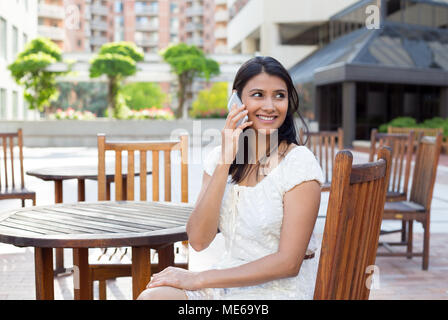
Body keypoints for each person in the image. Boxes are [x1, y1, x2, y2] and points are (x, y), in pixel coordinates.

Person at [137, 56, 324, 300]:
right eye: (258, 94)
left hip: (277, 292)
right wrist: (225, 160)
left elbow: (288, 263)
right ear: (236, 100)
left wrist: (198, 278)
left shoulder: (299, 163)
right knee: (153, 298)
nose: (270, 106)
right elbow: (198, 240)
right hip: (225, 287)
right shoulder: (218, 159)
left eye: (279, 95)